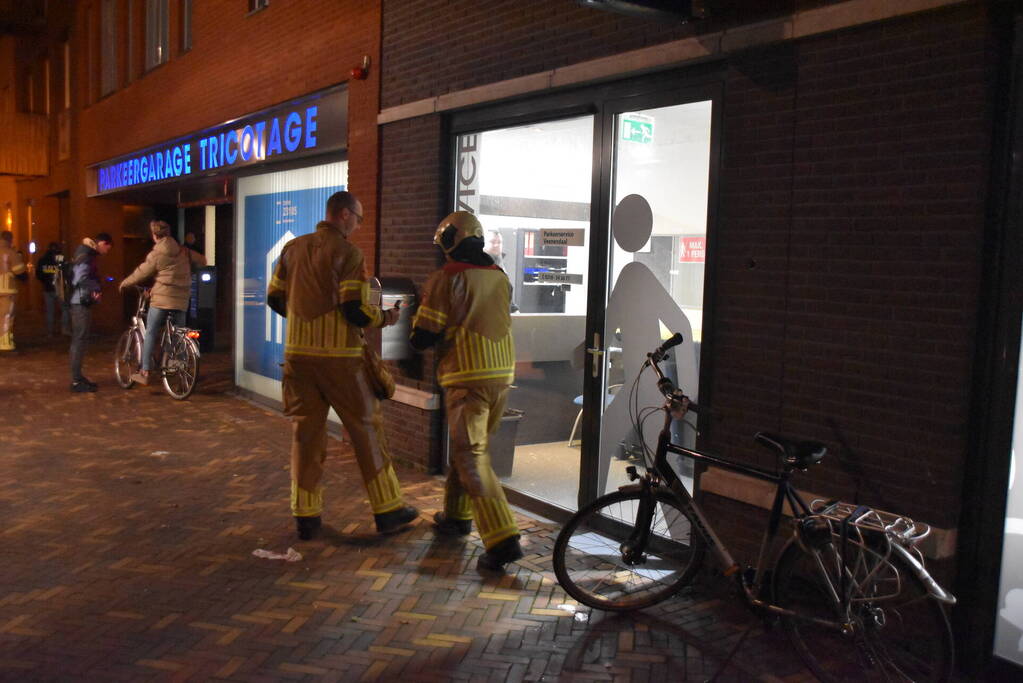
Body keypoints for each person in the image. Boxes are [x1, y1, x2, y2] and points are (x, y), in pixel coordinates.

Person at [266, 191, 418, 540]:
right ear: (345, 215)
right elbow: (354, 308)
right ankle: (388, 510)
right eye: (359, 218)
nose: (358, 225)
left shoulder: (293, 250)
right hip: (341, 361)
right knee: (366, 430)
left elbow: (275, 297)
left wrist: (305, 324)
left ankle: (305, 515)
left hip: (298, 358)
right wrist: (385, 317)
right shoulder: (348, 253)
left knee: (306, 434)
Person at [410, 211, 523, 572]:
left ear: (451, 243)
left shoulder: (447, 278)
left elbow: (424, 335)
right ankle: (457, 517)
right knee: (469, 448)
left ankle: (502, 537)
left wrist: (413, 322)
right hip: (500, 377)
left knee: (472, 455)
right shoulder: (501, 277)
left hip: (466, 377)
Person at [119, 220, 206, 385]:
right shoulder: (184, 251)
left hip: (161, 300)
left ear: (154, 235)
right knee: (179, 333)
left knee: (151, 331)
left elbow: (141, 272)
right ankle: (178, 363)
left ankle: (145, 371)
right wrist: (188, 272)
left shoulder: (157, 253)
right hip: (181, 299)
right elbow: (203, 260)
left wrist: (125, 283)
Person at [69, 232, 113, 392]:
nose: (106, 252)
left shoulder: (85, 252)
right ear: (102, 243)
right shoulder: (86, 254)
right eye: (107, 248)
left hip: (80, 301)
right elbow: (79, 278)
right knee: (79, 340)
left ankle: (78, 377)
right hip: (79, 302)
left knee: (80, 340)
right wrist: (95, 288)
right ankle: (76, 380)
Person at [0, 231, 27, 352]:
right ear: (10, 239)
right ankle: (5, 345)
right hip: (7, 289)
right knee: (7, 316)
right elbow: (19, 271)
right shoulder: (10, 252)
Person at [36, 241, 69, 337]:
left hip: (47, 289)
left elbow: (38, 274)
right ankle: (65, 329)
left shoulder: (43, 260)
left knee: (50, 311)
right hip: (59, 288)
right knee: (65, 308)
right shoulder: (60, 259)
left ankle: (50, 332)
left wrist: (45, 281)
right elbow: (66, 271)